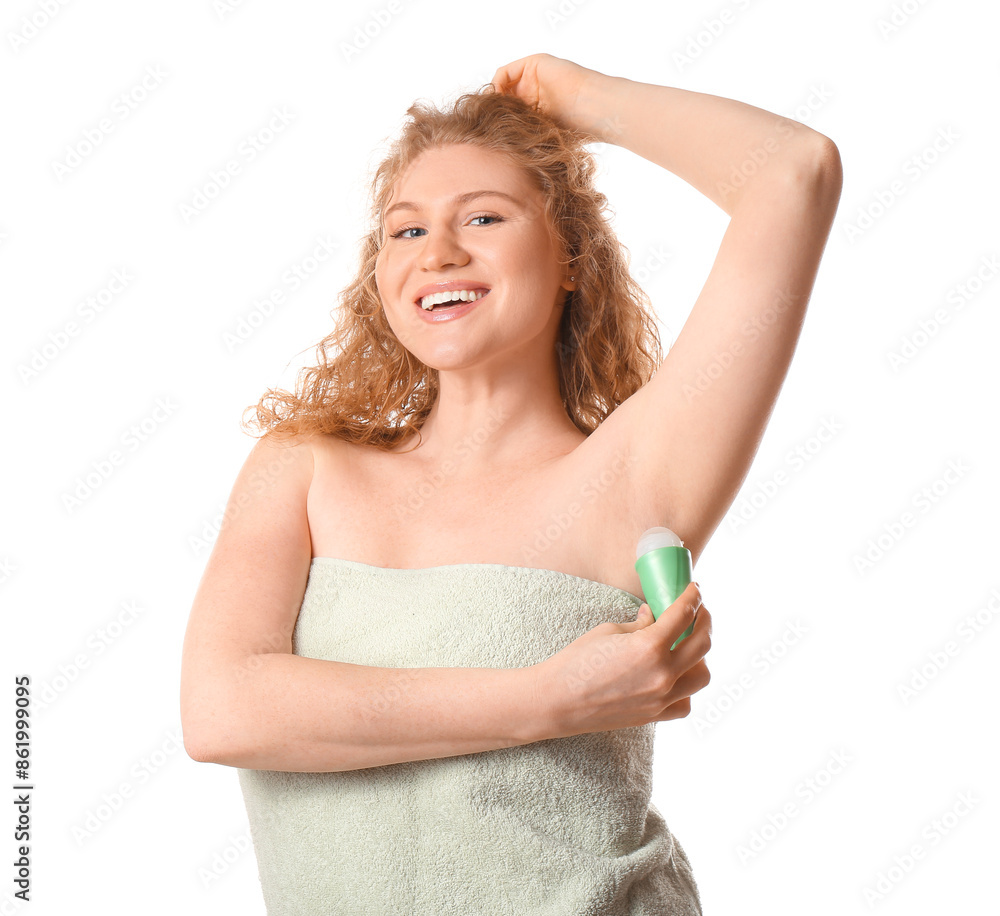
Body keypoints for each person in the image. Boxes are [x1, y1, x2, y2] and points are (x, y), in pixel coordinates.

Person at [180, 53, 842, 915]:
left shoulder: (635, 472)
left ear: (570, 257)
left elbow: (794, 172)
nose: (438, 252)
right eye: (405, 230)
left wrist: (581, 101)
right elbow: (224, 712)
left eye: (484, 216)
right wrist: (552, 698)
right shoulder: (302, 470)